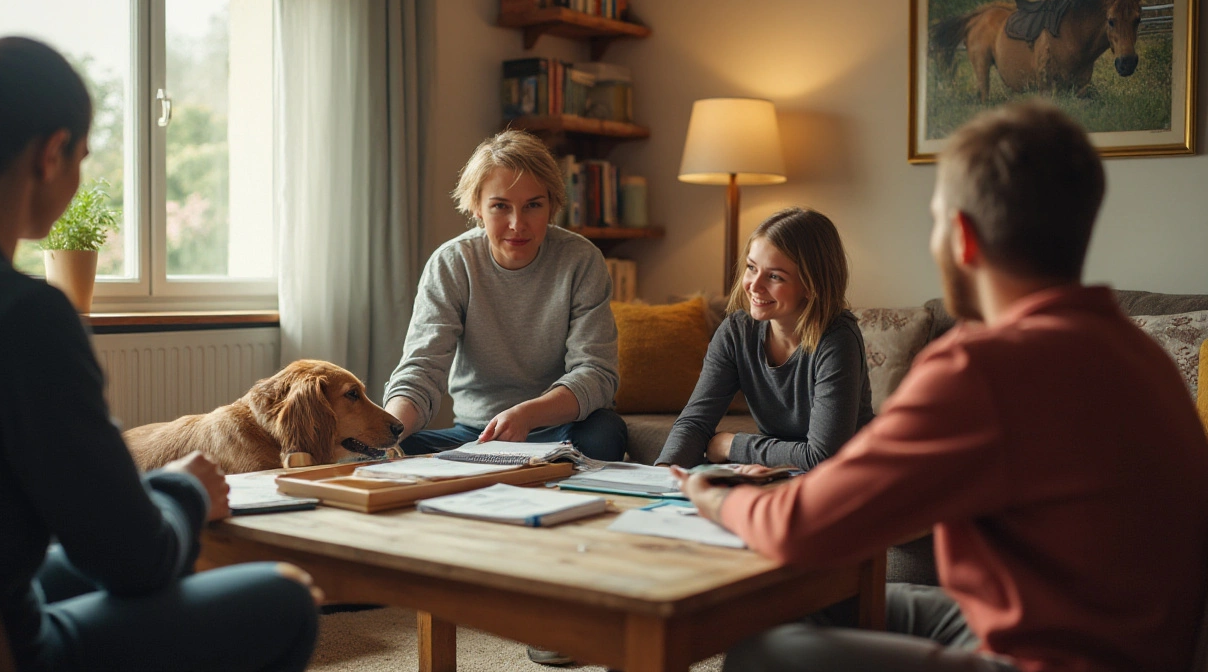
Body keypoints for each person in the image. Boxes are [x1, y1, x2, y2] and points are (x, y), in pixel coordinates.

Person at [673, 100, 1208, 672]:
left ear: (962, 237)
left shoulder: (983, 367)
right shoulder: (1143, 354)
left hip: (1043, 659)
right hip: (1105, 637)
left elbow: (803, 528)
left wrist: (719, 496)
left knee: (764, 651)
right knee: (806, 602)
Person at [0, 35, 321, 671]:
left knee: (61, 569)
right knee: (284, 597)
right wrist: (183, 492)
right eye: (82, 157)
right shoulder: (21, 314)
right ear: (53, 153)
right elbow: (133, 562)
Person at [385, 129, 626, 463]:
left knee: (606, 432)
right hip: (477, 434)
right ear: (477, 208)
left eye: (533, 206)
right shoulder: (452, 263)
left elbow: (596, 374)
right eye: (500, 206)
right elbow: (422, 369)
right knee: (399, 450)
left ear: (552, 205)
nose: (517, 224)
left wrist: (527, 415)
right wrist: (386, 431)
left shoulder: (580, 260)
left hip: (560, 429)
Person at [654, 207, 873, 471]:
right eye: (751, 268)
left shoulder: (837, 340)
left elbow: (823, 456)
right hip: (774, 474)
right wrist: (664, 475)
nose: (754, 286)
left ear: (810, 285)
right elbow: (695, 423)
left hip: (847, 479)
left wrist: (731, 445)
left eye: (774, 276)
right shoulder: (737, 331)